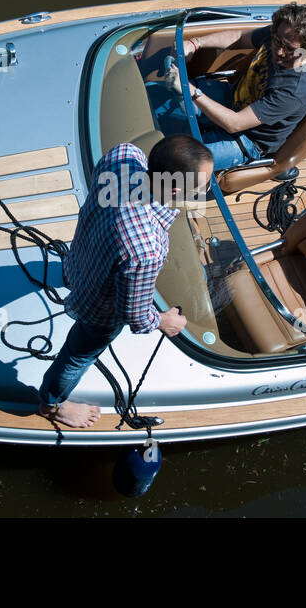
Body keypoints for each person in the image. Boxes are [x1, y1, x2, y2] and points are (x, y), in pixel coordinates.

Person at [37, 134, 214, 428]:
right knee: (78, 355)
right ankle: (52, 404)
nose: (206, 190)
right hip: (97, 311)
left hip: (79, 260)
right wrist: (163, 321)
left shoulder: (124, 155)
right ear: (174, 189)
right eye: (201, 186)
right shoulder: (147, 249)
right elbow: (134, 315)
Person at [159, 2, 306, 171]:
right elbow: (240, 37)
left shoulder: (293, 92)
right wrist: (195, 43)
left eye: (289, 49)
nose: (280, 51)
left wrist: (189, 90)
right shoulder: (283, 34)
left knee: (175, 163)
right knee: (154, 97)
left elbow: (235, 123)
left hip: (248, 138)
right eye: (277, 41)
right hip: (230, 98)